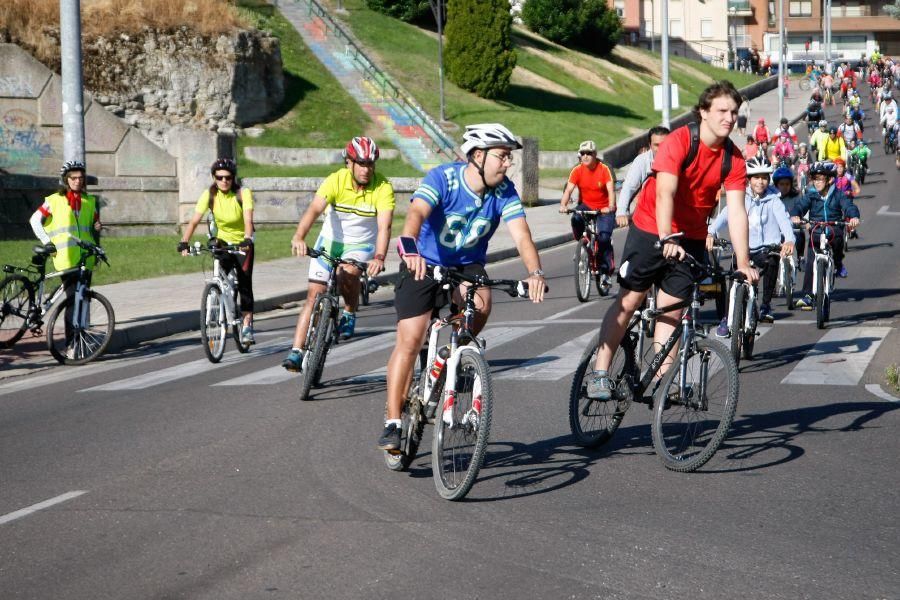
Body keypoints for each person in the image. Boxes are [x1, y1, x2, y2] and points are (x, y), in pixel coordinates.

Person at [377, 123, 547, 450]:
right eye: (502, 156)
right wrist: (409, 245)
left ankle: (454, 353)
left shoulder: (504, 191)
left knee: (482, 303)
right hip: (423, 261)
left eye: (509, 158)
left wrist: (535, 272)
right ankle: (393, 421)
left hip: (466, 265)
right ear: (478, 156)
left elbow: (522, 235)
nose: (508, 163)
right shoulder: (443, 178)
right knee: (410, 339)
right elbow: (416, 212)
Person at [585, 81, 758, 401]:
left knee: (673, 310)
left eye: (734, 112)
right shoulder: (680, 141)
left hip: (690, 237)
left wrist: (744, 262)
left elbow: (737, 211)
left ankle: (667, 383)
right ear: (703, 112)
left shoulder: (732, 160)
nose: (729, 118)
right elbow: (664, 192)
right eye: (722, 111)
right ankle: (599, 372)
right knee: (630, 300)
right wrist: (666, 236)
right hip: (652, 227)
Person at [281, 137, 395, 371]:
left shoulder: (383, 187)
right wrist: (299, 237)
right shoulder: (336, 180)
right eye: (361, 164)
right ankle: (296, 351)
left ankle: (350, 311)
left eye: (371, 164)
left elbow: (385, 227)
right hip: (330, 241)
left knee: (348, 272)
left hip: (360, 245)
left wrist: (380, 256)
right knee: (313, 295)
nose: (367, 169)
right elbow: (314, 209)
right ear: (349, 163)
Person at [708, 158, 794, 328]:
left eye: (764, 177)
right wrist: (710, 233)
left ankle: (765, 305)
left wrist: (789, 240)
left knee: (772, 261)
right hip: (743, 250)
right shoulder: (740, 197)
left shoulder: (774, 200)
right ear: (748, 179)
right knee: (734, 282)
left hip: (766, 249)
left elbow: (785, 221)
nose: (760, 182)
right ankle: (726, 318)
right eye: (756, 177)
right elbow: (724, 216)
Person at [178, 158, 257, 344]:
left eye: (228, 177)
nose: (224, 181)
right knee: (221, 274)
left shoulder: (243, 193)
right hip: (221, 240)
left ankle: (247, 325)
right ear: (214, 177)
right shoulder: (210, 194)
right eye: (219, 177)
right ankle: (220, 298)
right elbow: (195, 220)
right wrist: (184, 241)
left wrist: (247, 238)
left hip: (242, 242)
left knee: (244, 282)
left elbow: (248, 219)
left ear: (233, 178)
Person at [30, 160, 103, 356]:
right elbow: (35, 221)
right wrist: (47, 241)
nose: (78, 181)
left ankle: (80, 338)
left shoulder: (90, 202)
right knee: (73, 301)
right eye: (74, 178)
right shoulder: (54, 200)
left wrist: (98, 229)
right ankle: (72, 345)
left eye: (81, 178)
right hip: (65, 258)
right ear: (66, 180)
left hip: (85, 260)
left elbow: (94, 226)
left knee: (83, 301)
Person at [791, 161, 861, 309]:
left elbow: (849, 206)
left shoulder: (838, 194)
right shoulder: (811, 195)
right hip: (816, 231)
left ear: (829, 179)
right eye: (814, 179)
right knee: (810, 260)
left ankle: (837, 263)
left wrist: (853, 217)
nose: (816, 182)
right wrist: (796, 215)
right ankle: (808, 295)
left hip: (834, 229)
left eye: (820, 179)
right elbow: (800, 206)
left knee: (837, 244)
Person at [559, 140, 617, 288]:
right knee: (576, 218)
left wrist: (610, 207)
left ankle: (605, 273)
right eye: (582, 153)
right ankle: (582, 245)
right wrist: (563, 205)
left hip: (604, 208)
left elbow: (611, 190)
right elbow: (568, 190)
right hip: (586, 204)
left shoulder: (604, 168)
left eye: (589, 153)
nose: (585, 156)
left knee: (603, 238)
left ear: (595, 154)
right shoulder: (577, 170)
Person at [617, 127, 670, 227]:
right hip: (646, 216)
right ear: (650, 145)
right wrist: (621, 212)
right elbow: (629, 187)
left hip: (670, 216)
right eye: (656, 145)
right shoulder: (642, 161)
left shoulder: (680, 160)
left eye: (664, 144)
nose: (661, 148)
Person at [772, 166, 806, 264]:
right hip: (776, 231)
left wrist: (803, 220)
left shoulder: (796, 197)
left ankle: (801, 256)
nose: (784, 187)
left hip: (793, 229)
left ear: (791, 185)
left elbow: (802, 210)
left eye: (787, 184)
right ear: (776, 185)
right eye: (781, 184)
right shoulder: (772, 198)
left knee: (800, 234)